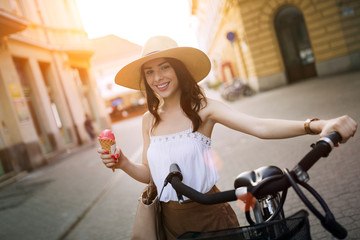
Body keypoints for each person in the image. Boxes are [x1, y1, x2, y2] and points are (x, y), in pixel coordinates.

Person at [97, 36, 357, 239]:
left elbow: (259, 126)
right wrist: (123, 164)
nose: (157, 77)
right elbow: (152, 175)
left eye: (164, 67)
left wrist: (317, 125)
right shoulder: (148, 119)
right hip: (169, 223)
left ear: (179, 69)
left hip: (210, 216)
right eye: (150, 71)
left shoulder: (204, 108)